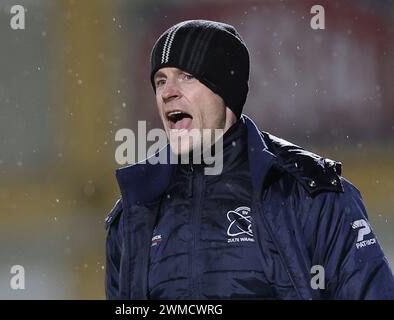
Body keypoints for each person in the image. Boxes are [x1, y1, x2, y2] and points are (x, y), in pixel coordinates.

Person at [105, 19, 394, 299]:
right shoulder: (136, 209)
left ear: (225, 91)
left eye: (187, 76)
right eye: (160, 80)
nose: (167, 92)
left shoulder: (310, 193)